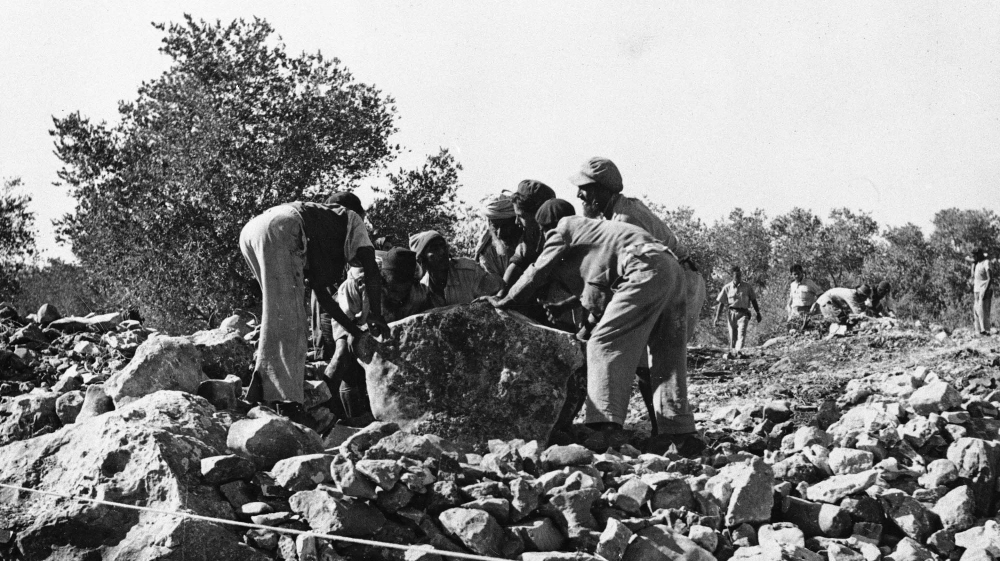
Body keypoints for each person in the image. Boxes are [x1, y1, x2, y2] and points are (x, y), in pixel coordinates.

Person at [485, 199, 702, 456]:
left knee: (604, 343)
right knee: (666, 353)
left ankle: (604, 427)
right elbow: (605, 300)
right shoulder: (599, 233)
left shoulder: (563, 229)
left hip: (644, 266)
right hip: (670, 266)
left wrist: (506, 300)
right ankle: (679, 432)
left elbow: (537, 272)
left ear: (545, 228)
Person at [568, 156, 707, 437]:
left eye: (584, 188)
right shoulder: (618, 213)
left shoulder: (625, 218)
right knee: (653, 359)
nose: (579, 194)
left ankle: (655, 429)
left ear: (600, 189)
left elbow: (639, 273)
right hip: (677, 279)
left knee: (655, 356)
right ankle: (670, 430)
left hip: (677, 280)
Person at [239, 199, 390, 420]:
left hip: (252, 231)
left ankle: (263, 394)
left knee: (276, 316)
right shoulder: (352, 218)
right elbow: (370, 267)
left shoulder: (323, 231)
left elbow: (324, 298)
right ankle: (289, 405)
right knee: (292, 322)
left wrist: (354, 330)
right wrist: (376, 314)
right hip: (283, 228)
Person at [326, 247, 431, 421]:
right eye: (393, 288)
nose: (397, 296)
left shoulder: (419, 294)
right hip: (344, 316)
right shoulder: (358, 284)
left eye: (402, 291)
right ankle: (327, 411)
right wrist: (355, 338)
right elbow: (345, 320)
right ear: (382, 279)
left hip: (380, 328)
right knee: (343, 360)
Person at [410, 230, 504, 307]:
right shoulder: (423, 289)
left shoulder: (469, 272)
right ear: (422, 259)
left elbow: (499, 293)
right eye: (434, 249)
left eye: (443, 246)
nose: (443, 252)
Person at [502, 180, 557, 295]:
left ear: (538, 214)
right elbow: (516, 264)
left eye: (521, 216)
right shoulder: (530, 235)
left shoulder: (557, 234)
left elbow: (538, 272)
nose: (517, 222)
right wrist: (501, 294)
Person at [713, 266, 762, 357]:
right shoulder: (727, 287)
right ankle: (733, 353)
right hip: (731, 314)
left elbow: (754, 300)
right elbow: (721, 303)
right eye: (736, 275)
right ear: (733, 276)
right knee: (733, 336)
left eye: (739, 275)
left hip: (743, 314)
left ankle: (739, 351)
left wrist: (758, 313)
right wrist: (717, 317)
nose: (738, 277)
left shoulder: (747, 287)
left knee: (741, 334)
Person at [474, 194, 521, 279]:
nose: (500, 233)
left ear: (517, 222)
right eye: (495, 226)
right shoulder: (487, 252)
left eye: (505, 226)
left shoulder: (532, 242)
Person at [805, 285, 871, 331]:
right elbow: (857, 312)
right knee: (839, 320)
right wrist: (866, 318)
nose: (865, 299)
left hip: (830, 301)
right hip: (826, 302)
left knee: (843, 317)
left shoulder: (854, 294)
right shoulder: (851, 295)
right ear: (861, 295)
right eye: (865, 297)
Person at [786, 264, 823, 329]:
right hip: (795, 314)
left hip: (807, 313)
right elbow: (791, 298)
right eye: (794, 274)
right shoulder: (792, 285)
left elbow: (821, 295)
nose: (797, 276)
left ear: (802, 272)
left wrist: (814, 306)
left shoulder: (809, 283)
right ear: (791, 275)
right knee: (791, 331)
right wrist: (788, 307)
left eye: (798, 273)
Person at [972, 248, 993, 335]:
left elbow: (990, 278)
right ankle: (979, 331)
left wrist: (985, 290)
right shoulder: (977, 264)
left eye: (975, 255)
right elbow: (972, 275)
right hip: (977, 290)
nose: (974, 257)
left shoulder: (986, 262)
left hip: (984, 289)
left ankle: (986, 331)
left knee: (984, 311)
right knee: (977, 311)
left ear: (979, 254)